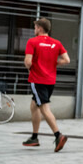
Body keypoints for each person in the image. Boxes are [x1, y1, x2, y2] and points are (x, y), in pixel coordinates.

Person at [22, 18, 70, 152]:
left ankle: (58, 135)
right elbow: (66, 59)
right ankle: (34, 137)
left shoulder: (32, 42)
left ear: (39, 28)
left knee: (44, 108)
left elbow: (28, 62)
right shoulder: (56, 43)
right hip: (50, 81)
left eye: (35, 27)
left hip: (38, 80)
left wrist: (29, 67)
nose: (34, 30)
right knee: (34, 106)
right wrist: (54, 63)